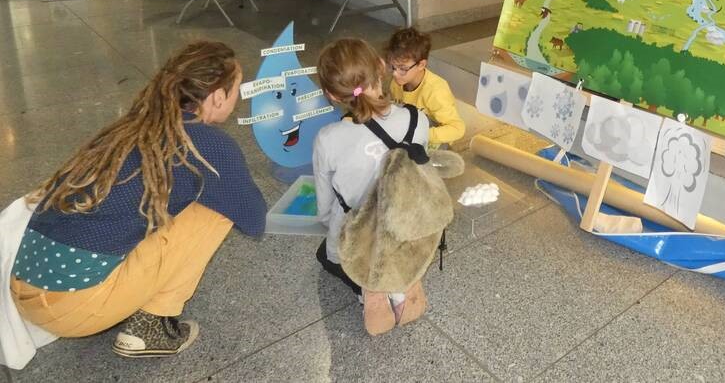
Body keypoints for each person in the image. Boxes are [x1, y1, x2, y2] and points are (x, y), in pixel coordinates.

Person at [9, 42, 266, 358]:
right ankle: (151, 327)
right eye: (236, 89)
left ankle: (123, 295)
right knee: (216, 208)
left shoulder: (133, 126)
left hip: (24, 287)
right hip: (74, 308)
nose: (238, 98)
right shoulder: (210, 147)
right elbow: (253, 218)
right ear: (217, 97)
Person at [313, 38, 430, 332]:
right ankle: (401, 285)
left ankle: (369, 290)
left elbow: (325, 210)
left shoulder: (327, 139)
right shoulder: (418, 120)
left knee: (325, 255)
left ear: (331, 94)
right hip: (405, 225)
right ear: (382, 67)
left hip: (358, 233)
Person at [385, 27, 465, 149]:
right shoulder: (397, 83)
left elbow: (457, 129)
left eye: (402, 68)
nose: (395, 74)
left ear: (421, 65)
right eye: (392, 67)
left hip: (434, 141)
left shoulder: (436, 90)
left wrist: (419, 134)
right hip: (411, 132)